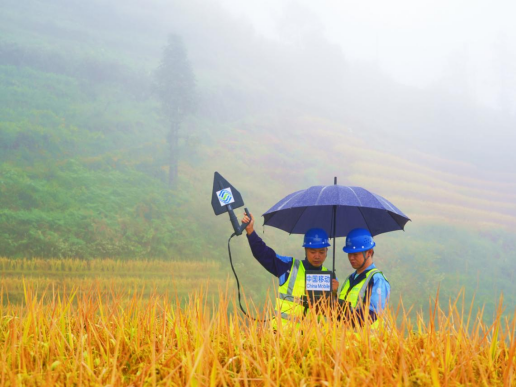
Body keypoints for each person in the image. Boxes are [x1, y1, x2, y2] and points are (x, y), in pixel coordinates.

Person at [242, 213, 339, 327]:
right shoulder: (289, 266)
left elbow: (333, 314)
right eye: (313, 252)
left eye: (321, 252)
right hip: (280, 336)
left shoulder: (331, 277)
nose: (317, 256)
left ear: (327, 252)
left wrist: (334, 294)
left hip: (309, 341)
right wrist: (250, 231)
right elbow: (264, 254)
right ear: (306, 250)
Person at [338, 228, 390, 328]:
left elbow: (372, 315)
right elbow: (340, 309)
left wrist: (343, 318)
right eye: (349, 253)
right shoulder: (349, 279)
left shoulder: (377, 279)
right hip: (347, 341)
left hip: (369, 342)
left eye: (355, 254)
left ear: (369, 253)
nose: (351, 258)